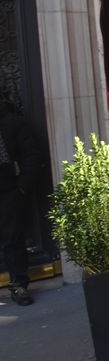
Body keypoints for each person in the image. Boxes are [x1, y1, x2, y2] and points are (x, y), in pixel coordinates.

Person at [0, 103, 44, 306]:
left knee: (13, 239)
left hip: (9, 191)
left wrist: (21, 188)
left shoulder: (12, 124)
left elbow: (32, 156)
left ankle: (19, 285)